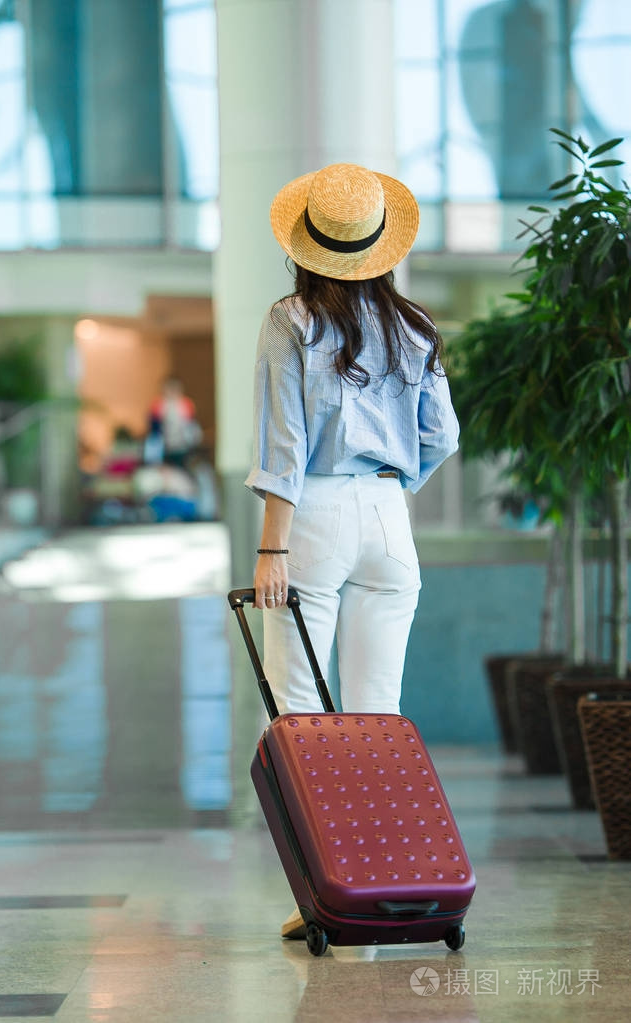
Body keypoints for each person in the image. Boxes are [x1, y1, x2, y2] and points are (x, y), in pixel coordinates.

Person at [244, 162, 460, 940]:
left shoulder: (291, 320)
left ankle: (324, 899)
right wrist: (392, 489)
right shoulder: (415, 326)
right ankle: (379, 888)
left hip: (315, 516)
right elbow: (445, 437)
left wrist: (272, 549)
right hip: (389, 519)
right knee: (377, 717)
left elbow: (285, 444)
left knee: (299, 718)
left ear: (306, 245)